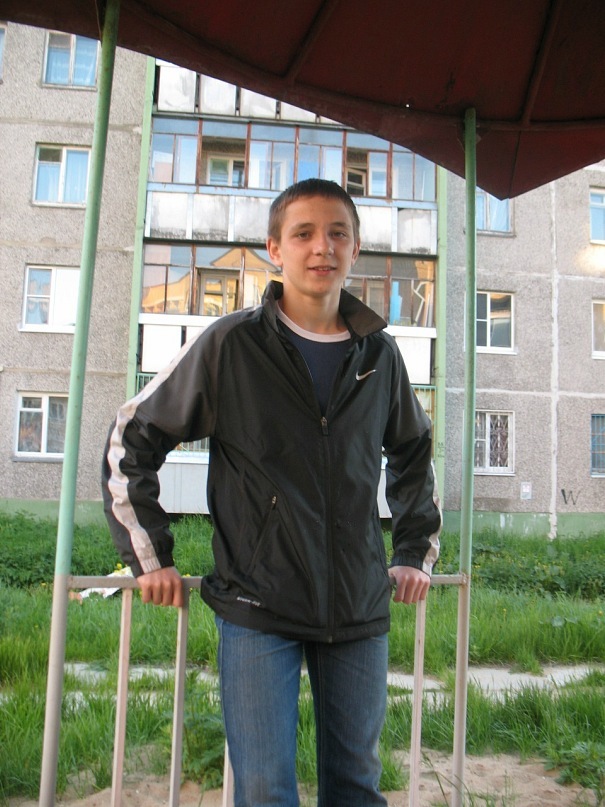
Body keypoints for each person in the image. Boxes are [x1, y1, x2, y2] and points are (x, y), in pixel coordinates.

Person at [102, 178, 441, 807]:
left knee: (357, 787)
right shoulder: (232, 344)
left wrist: (413, 551)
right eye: (303, 233)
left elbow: (413, 451)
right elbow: (133, 436)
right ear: (275, 249)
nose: (322, 247)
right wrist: (150, 556)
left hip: (358, 607)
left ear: (356, 248)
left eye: (337, 233)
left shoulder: (379, 355)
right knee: (262, 790)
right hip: (258, 606)